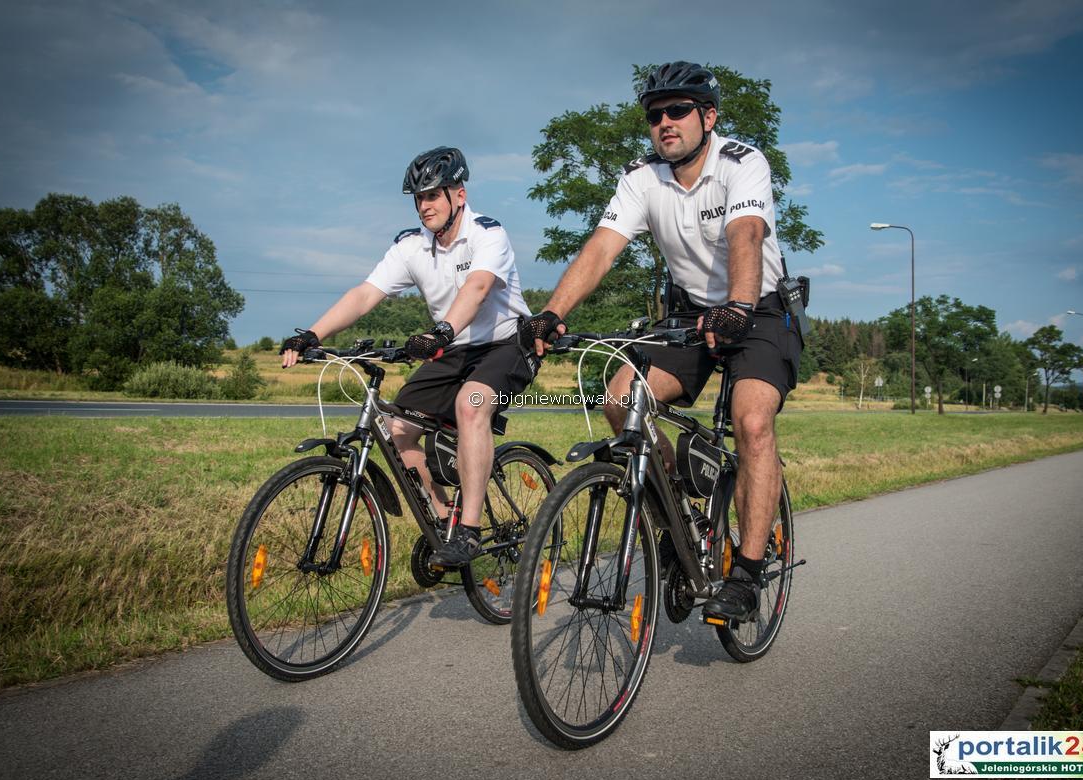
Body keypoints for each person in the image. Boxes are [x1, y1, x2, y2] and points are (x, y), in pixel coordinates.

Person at [520, 62, 803, 623]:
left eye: (678, 111)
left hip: (760, 309)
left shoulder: (741, 163)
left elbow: (745, 235)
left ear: (708, 116)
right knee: (621, 398)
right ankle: (674, 519)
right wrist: (550, 314)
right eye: (655, 116)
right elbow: (601, 248)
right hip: (692, 316)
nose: (665, 123)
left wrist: (739, 307)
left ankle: (745, 573)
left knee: (751, 422)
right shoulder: (641, 178)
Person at [281, 146, 536, 568]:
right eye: (418, 198)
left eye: (433, 195)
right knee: (397, 427)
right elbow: (365, 294)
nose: (424, 206)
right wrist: (312, 333)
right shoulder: (411, 246)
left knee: (470, 405)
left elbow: (476, 290)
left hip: (505, 343)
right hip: (452, 347)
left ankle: (469, 532)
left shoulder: (489, 235)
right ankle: (443, 519)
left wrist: (440, 332)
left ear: (459, 194)